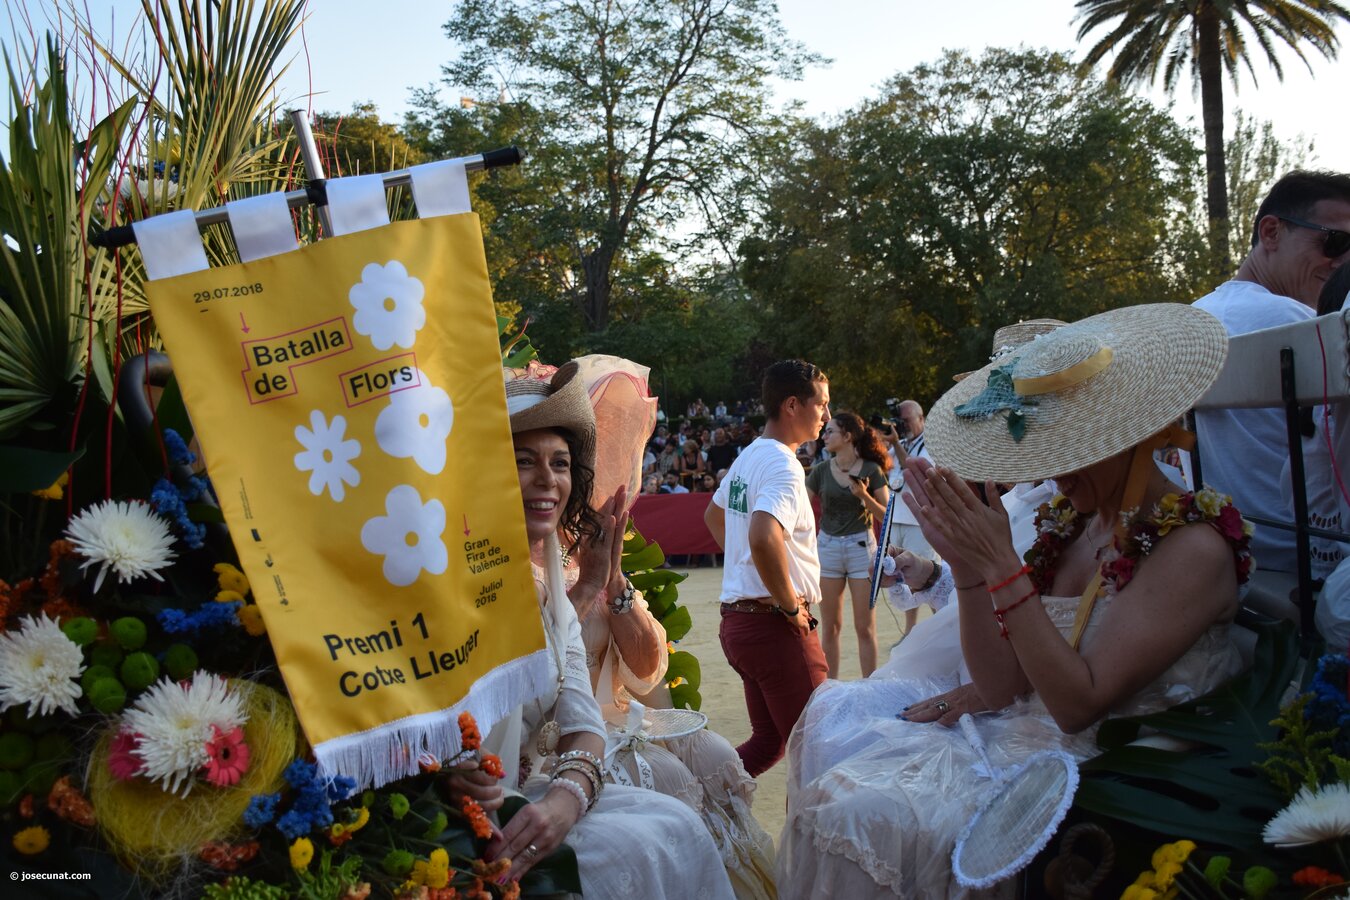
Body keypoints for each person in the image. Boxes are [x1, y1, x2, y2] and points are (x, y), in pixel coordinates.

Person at [779, 305, 1250, 899]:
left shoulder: (1193, 548)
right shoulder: (1071, 525)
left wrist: (1001, 566)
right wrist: (973, 573)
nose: (1046, 471)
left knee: (862, 815)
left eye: (1067, 450)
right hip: (1022, 738)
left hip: (1108, 768)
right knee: (837, 791)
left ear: (1130, 438)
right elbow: (1002, 686)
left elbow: (1079, 704)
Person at [457, 362, 733, 899]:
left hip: (542, 786)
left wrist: (564, 800)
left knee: (678, 829)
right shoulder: (444, 578)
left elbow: (599, 713)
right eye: (523, 461)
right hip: (450, 807)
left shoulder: (557, 584)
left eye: (561, 464)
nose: (549, 480)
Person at [563, 356, 778, 900]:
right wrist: (584, 588)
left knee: (714, 755)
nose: (556, 479)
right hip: (557, 733)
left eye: (566, 464)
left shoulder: (593, 547)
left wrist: (613, 585)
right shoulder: (507, 563)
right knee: (670, 775)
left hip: (620, 717)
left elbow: (646, 674)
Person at [1193, 170, 1350, 577]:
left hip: (1226, 548)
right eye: (1336, 241)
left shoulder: (1194, 321)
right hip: (1310, 558)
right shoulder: (1305, 327)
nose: (1343, 263)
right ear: (1271, 232)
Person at [705, 359, 831, 777]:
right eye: (822, 405)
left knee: (769, 743)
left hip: (741, 624)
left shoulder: (748, 457)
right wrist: (791, 608)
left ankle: (690, 799)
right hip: (773, 625)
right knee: (819, 750)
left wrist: (748, 566)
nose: (826, 417)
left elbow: (714, 516)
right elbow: (763, 536)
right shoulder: (782, 464)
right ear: (793, 405)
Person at [805, 412, 891, 678]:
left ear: (848, 436)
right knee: (830, 626)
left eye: (830, 431)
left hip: (860, 548)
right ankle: (830, 688)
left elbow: (886, 516)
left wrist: (863, 495)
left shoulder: (871, 470)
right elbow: (801, 509)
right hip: (828, 547)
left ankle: (870, 686)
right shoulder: (820, 470)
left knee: (865, 627)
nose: (824, 436)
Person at [881, 399, 934, 634]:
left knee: (928, 578)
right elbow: (881, 465)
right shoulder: (898, 443)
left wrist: (895, 443)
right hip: (897, 517)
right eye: (899, 422)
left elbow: (911, 467)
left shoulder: (930, 445)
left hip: (919, 520)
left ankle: (943, 622)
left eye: (907, 421)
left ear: (921, 419)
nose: (903, 426)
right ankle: (910, 631)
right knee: (904, 578)